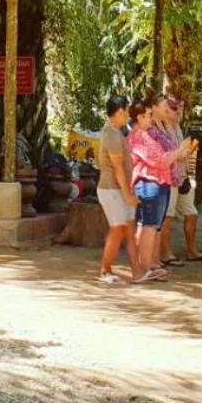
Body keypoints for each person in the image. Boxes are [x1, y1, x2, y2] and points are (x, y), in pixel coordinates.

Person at [127, 97, 197, 284]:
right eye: (148, 115)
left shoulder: (145, 134)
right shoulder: (139, 136)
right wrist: (178, 151)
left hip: (157, 182)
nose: (151, 119)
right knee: (149, 226)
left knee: (150, 225)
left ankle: (146, 265)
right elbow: (159, 159)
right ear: (139, 117)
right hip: (151, 183)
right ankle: (144, 267)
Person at [154, 95, 202, 264]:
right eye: (173, 108)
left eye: (179, 108)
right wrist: (181, 152)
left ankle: (192, 251)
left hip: (182, 175)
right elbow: (167, 155)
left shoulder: (177, 127)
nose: (178, 112)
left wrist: (187, 152)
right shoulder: (159, 129)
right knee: (168, 215)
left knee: (191, 213)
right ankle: (165, 253)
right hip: (169, 177)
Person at [94, 95, 137, 284]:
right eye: (126, 111)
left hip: (115, 188)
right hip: (111, 188)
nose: (128, 115)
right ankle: (105, 270)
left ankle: (119, 268)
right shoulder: (111, 134)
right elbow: (117, 167)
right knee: (117, 229)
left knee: (121, 228)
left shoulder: (114, 132)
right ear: (120, 112)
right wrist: (127, 194)